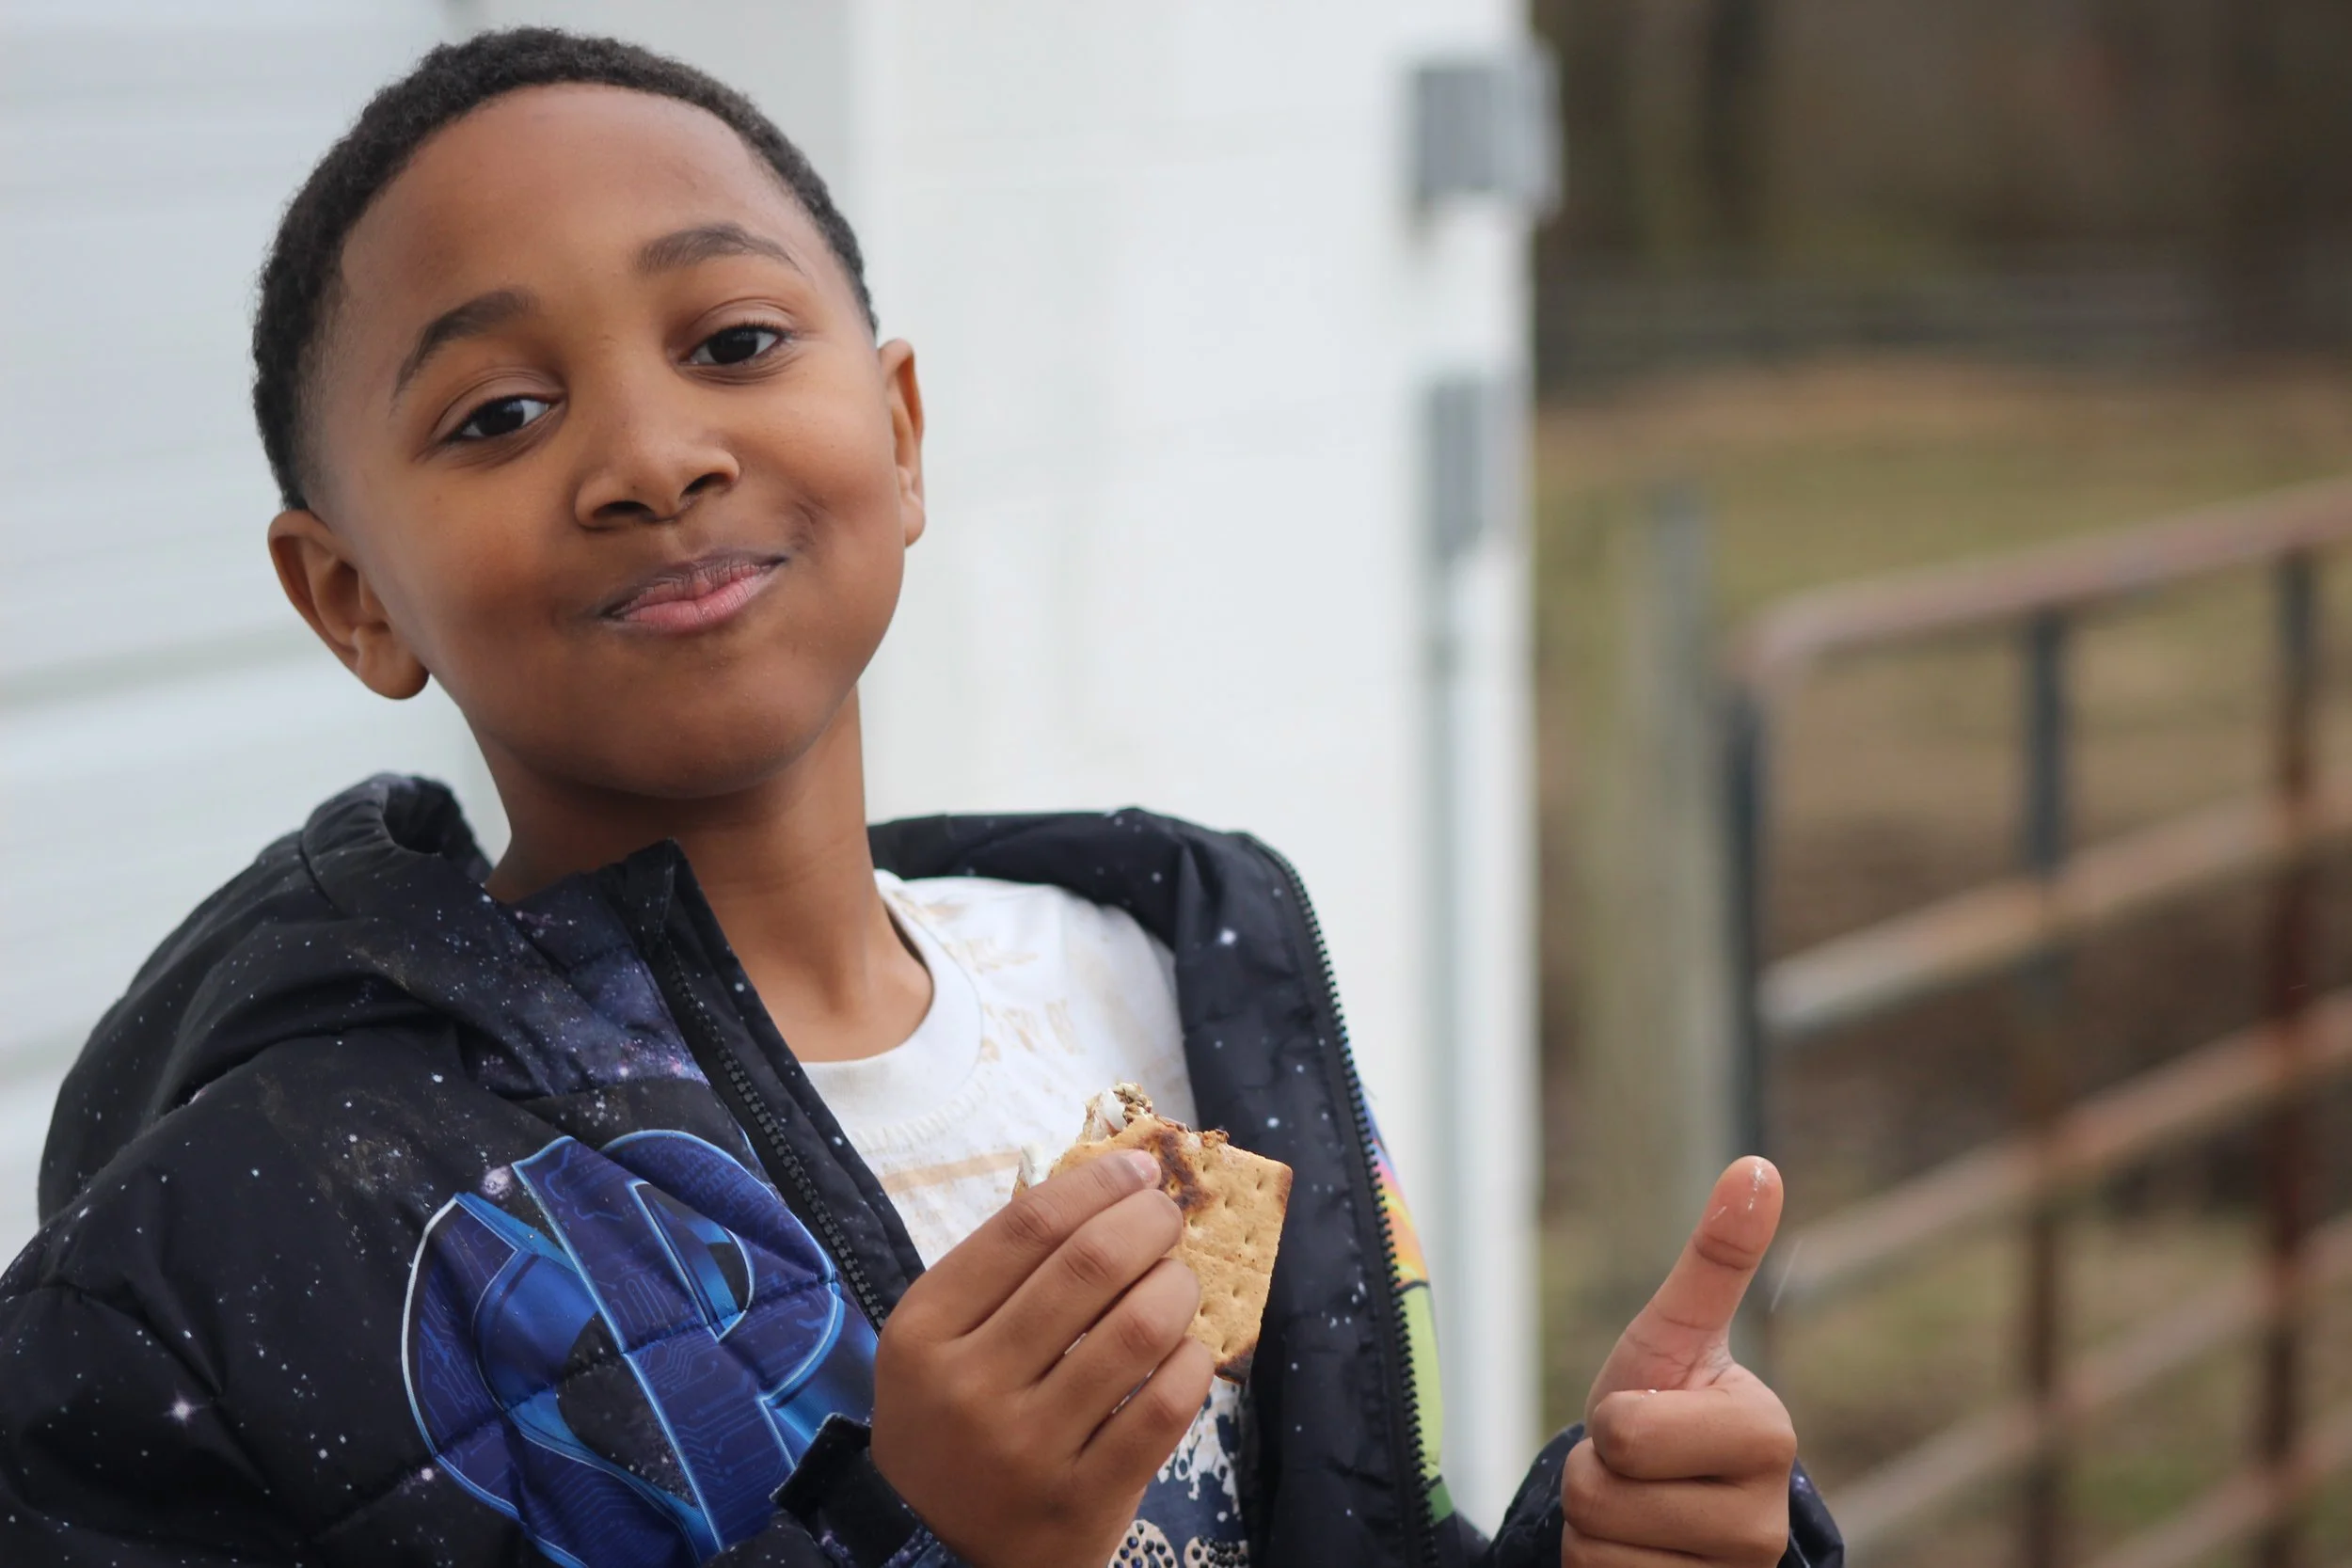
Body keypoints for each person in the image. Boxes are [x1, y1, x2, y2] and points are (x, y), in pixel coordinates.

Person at [0, 29, 1840, 1568]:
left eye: (729, 343)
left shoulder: (1175, 975)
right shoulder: (237, 1234)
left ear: (897, 432)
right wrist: (914, 1534)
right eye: (496, 415)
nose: (653, 456)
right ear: (349, 597)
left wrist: (1610, 1544)